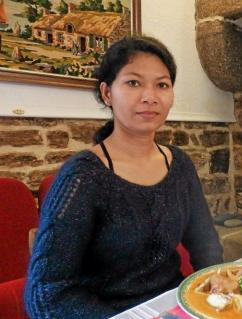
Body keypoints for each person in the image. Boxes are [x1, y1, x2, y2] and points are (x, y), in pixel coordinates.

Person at [24, 35, 223, 318]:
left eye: (162, 85)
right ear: (107, 93)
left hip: (174, 304)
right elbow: (46, 292)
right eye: (133, 82)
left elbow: (204, 241)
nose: (150, 96)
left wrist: (216, 277)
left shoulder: (179, 164)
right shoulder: (83, 177)